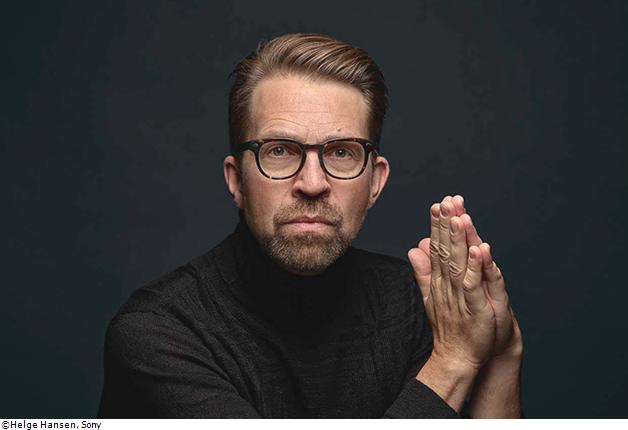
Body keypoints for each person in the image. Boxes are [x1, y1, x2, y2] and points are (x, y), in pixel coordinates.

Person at [98, 33, 523, 418]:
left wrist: (503, 352)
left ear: (374, 182)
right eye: (279, 150)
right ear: (236, 179)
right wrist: (453, 364)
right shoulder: (157, 333)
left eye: (341, 152)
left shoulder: (429, 310)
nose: (313, 183)